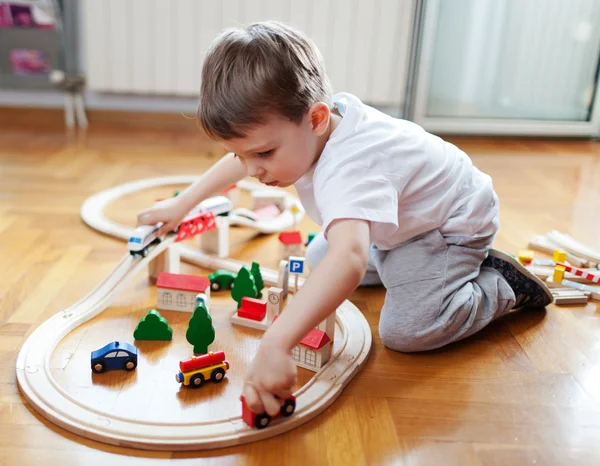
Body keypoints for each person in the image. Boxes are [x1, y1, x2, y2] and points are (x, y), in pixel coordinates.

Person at [137, 21, 552, 417]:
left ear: (316, 119)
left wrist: (277, 344)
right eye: (244, 155)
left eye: (263, 154)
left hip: (445, 227)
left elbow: (350, 260)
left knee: (406, 332)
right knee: (319, 265)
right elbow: (240, 160)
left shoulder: (351, 166)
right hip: (397, 224)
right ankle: (402, 263)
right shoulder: (315, 122)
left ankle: (500, 286)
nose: (252, 171)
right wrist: (183, 205)